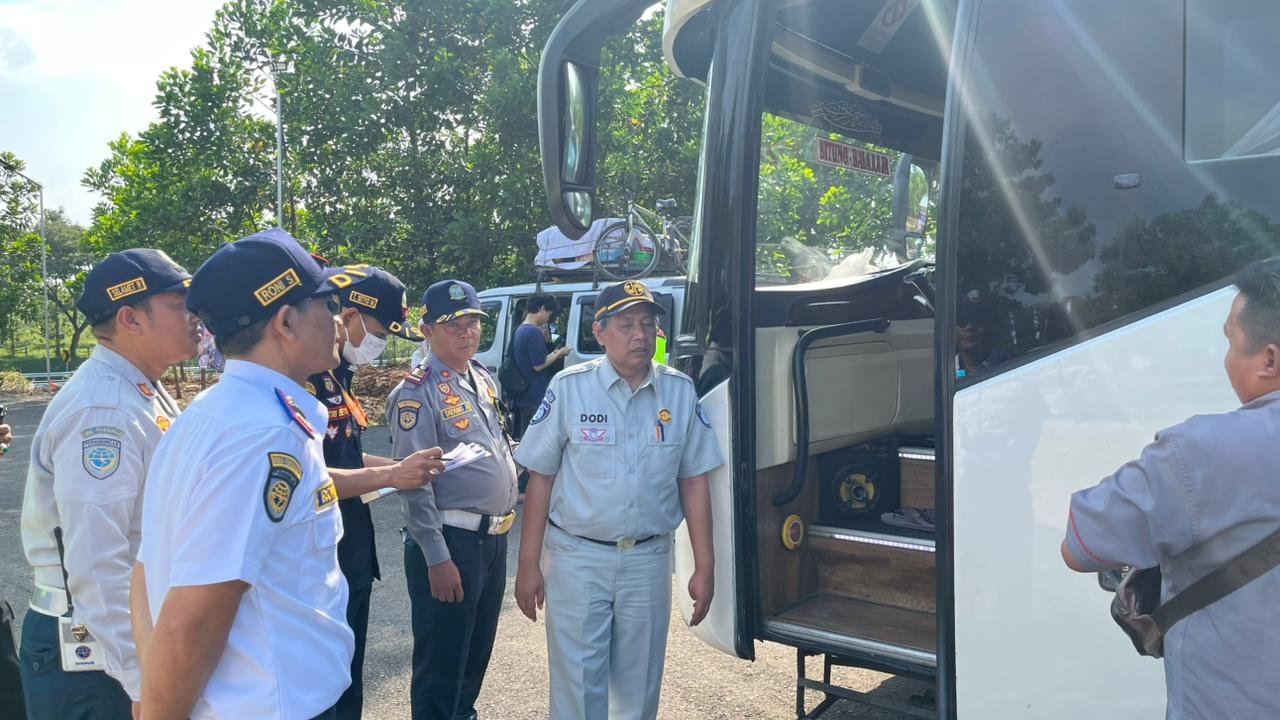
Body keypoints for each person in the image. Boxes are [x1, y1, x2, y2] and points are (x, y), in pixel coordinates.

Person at [132, 229, 424, 719]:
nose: (338, 320)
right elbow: (193, 619)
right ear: (287, 321)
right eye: (328, 306)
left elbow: (145, 575)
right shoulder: (260, 435)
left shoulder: (215, 415)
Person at [1062, 258, 1280, 719]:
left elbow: (1079, 546)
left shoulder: (1197, 451)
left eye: (1230, 341)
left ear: (1269, 359)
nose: (1226, 359)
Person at [513, 279, 723, 720]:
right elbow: (541, 479)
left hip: (647, 561)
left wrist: (705, 566)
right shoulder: (571, 388)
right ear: (600, 332)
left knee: (637, 691)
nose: (640, 335)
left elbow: (694, 482)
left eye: (647, 324)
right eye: (626, 324)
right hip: (577, 560)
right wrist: (528, 566)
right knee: (577, 691)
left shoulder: (679, 392)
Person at [18, 248, 198, 720]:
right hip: (94, 655)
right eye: (180, 305)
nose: (196, 316)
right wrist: (143, 681)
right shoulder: (104, 411)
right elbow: (97, 567)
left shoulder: (137, 388)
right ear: (130, 318)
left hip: (115, 642)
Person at [304, 263, 440, 720]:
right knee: (327, 689)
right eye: (379, 330)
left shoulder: (337, 375)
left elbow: (344, 457)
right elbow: (309, 476)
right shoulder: (305, 379)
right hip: (325, 555)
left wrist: (403, 467)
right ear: (348, 314)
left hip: (352, 550)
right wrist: (391, 477)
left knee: (348, 680)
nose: (377, 343)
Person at [387, 279, 519, 720]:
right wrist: (436, 556)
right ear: (426, 331)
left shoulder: (480, 377)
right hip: (451, 542)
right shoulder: (416, 392)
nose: (467, 332)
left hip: (491, 541)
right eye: (454, 324)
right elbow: (413, 481)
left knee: (473, 660)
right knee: (441, 667)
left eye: (474, 322)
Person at [510, 294, 570, 438]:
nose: (548, 318)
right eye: (549, 313)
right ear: (542, 308)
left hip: (525, 393)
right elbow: (538, 365)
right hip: (534, 393)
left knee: (527, 434)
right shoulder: (533, 332)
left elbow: (535, 360)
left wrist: (553, 353)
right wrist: (558, 354)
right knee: (535, 436)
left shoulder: (520, 329)